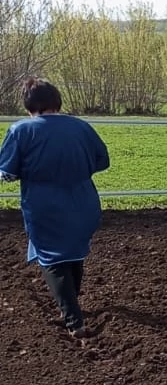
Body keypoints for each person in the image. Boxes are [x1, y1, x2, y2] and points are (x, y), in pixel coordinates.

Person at [0, 78, 110, 340]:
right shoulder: (81, 127)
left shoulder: (21, 130)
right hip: (83, 199)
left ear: (29, 104)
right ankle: (72, 304)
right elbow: (102, 160)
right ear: (56, 101)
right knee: (74, 252)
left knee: (52, 259)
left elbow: (7, 172)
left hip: (44, 203)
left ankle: (74, 321)